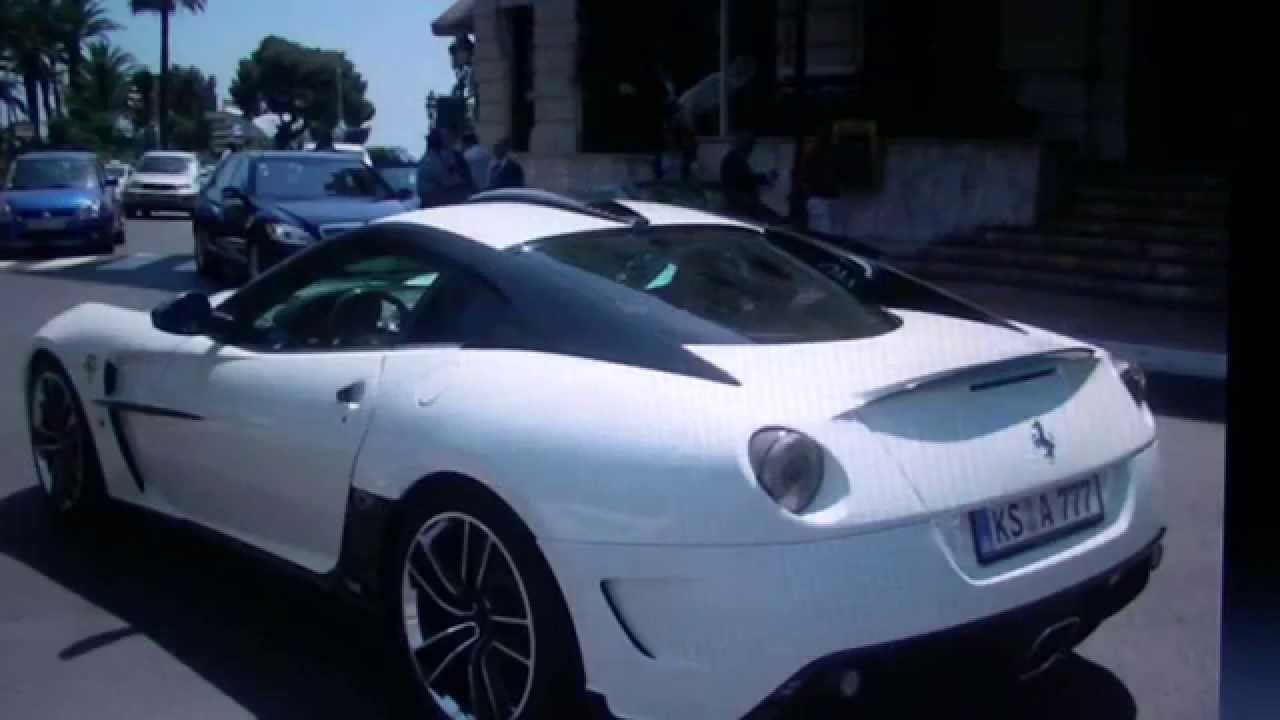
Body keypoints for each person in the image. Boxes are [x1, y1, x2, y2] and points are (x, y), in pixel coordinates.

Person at [720, 131, 778, 222]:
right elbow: (744, 180)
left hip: (742, 200)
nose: (751, 148)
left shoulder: (735, 158)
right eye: (749, 145)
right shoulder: (734, 159)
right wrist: (765, 178)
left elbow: (744, 179)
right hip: (741, 201)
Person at [417, 128, 474, 208]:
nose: (450, 140)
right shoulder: (431, 160)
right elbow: (449, 181)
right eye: (446, 138)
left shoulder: (438, 157)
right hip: (433, 203)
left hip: (438, 200)